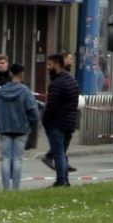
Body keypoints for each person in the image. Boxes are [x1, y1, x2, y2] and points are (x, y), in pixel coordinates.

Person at [0, 64, 39, 190]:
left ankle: (6, 188)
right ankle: (15, 189)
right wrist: (31, 123)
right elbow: (33, 111)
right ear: (22, 74)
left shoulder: (0, 91)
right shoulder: (25, 91)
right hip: (21, 128)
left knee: (6, 159)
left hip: (4, 128)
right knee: (17, 159)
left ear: (10, 74)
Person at [42, 54, 80, 187]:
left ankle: (61, 180)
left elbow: (51, 106)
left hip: (57, 123)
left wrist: (45, 121)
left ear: (57, 65)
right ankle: (65, 180)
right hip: (69, 123)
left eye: (49, 65)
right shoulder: (71, 80)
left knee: (58, 154)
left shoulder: (57, 84)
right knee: (62, 153)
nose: (47, 68)